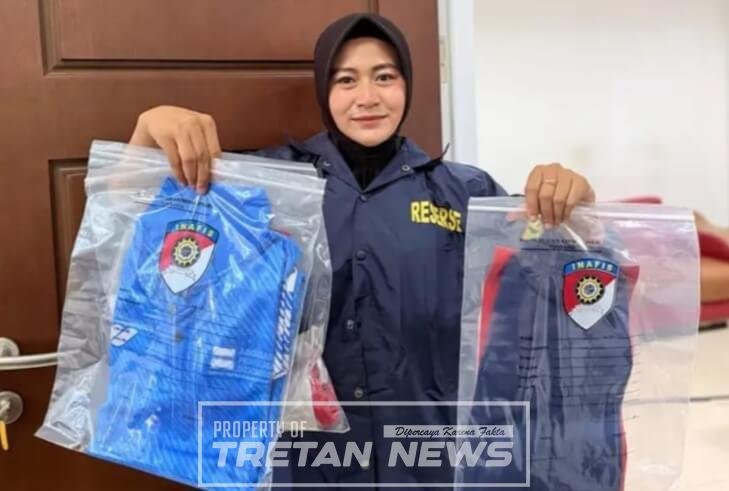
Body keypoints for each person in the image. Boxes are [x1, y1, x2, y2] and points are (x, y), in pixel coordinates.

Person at [128, 12, 595, 489]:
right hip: (304, 465)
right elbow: (138, 226)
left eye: (385, 77)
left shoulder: (463, 193)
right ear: (323, 90)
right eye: (346, 80)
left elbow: (570, 265)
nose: (367, 97)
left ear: (407, 85)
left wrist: (576, 203)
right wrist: (148, 132)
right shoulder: (271, 186)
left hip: (425, 461)